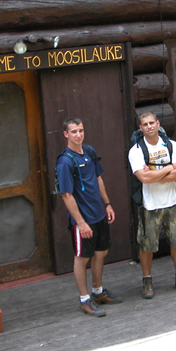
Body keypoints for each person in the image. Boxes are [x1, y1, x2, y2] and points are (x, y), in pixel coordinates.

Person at [56, 117, 122, 317]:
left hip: (99, 215)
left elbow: (98, 178)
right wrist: (81, 222)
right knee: (82, 258)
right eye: (74, 131)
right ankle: (85, 300)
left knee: (101, 252)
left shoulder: (90, 151)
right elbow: (66, 195)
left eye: (81, 130)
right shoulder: (65, 162)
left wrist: (107, 203)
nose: (78, 135)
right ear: (65, 134)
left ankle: (98, 291)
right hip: (83, 221)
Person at [128, 111, 176, 299]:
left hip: (172, 202)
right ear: (140, 128)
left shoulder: (172, 146)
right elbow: (144, 178)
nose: (149, 127)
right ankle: (147, 280)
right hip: (149, 205)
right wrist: (168, 168)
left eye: (151, 123)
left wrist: (156, 173)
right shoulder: (136, 151)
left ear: (158, 124)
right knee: (147, 244)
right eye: (145, 124)